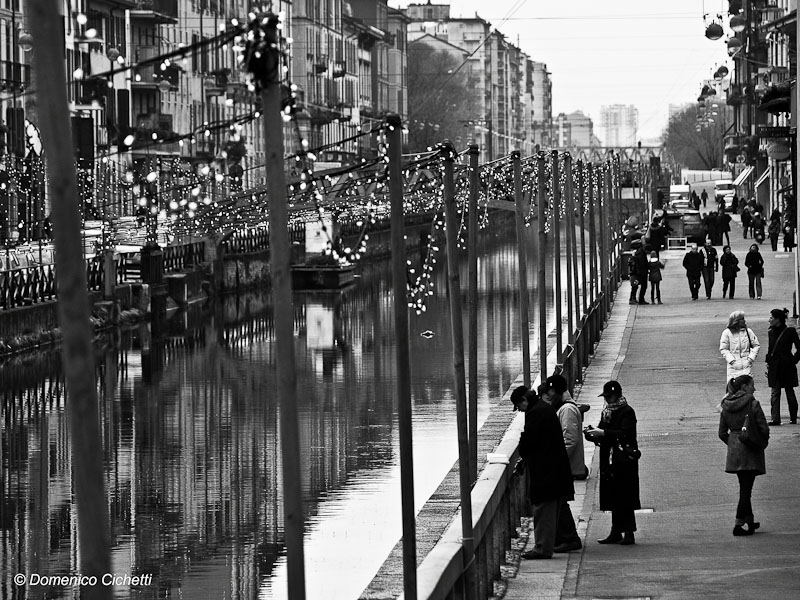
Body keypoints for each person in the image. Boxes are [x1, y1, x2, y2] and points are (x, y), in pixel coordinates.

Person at [512, 386, 575, 559]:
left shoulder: (535, 413)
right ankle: (547, 544)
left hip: (546, 471)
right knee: (550, 510)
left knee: (543, 511)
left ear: (524, 400)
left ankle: (542, 548)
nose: (520, 411)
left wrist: (523, 444)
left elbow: (528, 442)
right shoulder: (543, 408)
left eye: (519, 407)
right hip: (554, 469)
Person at [584, 381, 640, 545]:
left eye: (610, 396)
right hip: (609, 459)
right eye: (606, 397)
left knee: (626, 496)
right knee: (614, 494)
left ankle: (629, 532)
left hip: (623, 460)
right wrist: (592, 433)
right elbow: (604, 432)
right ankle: (616, 531)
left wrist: (603, 432)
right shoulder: (607, 412)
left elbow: (625, 433)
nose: (607, 400)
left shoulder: (627, 411)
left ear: (618, 395)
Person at [718, 374, 769, 536]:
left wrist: (733, 444)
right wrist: (761, 442)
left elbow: (721, 433)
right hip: (751, 450)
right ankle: (738, 524)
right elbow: (764, 428)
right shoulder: (753, 404)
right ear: (744, 387)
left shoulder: (726, 405)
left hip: (735, 452)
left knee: (744, 485)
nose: (754, 388)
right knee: (746, 490)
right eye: (752, 385)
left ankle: (750, 520)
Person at [543, 375, 585, 553]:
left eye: (551, 391)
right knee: (560, 501)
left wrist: (556, 460)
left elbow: (570, 439)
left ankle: (569, 538)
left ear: (558, 391)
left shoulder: (566, 410)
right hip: (564, 464)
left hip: (564, 465)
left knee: (560, 501)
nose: (549, 395)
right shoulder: (563, 407)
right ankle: (563, 537)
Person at [765, 307, 800, 425]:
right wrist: (768, 363)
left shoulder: (790, 331)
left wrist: (794, 360)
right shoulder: (771, 332)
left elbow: (799, 348)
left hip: (787, 365)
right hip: (775, 365)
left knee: (789, 391)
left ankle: (793, 417)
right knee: (775, 392)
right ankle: (775, 418)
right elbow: (770, 349)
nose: (769, 320)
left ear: (778, 319)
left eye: (771, 318)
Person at [720, 311, 760, 382]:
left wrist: (750, 359)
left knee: (747, 389)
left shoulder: (748, 332)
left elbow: (756, 345)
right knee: (734, 389)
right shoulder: (727, 333)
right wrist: (732, 361)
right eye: (742, 319)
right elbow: (724, 349)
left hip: (746, 366)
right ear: (736, 321)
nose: (744, 320)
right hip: (733, 368)